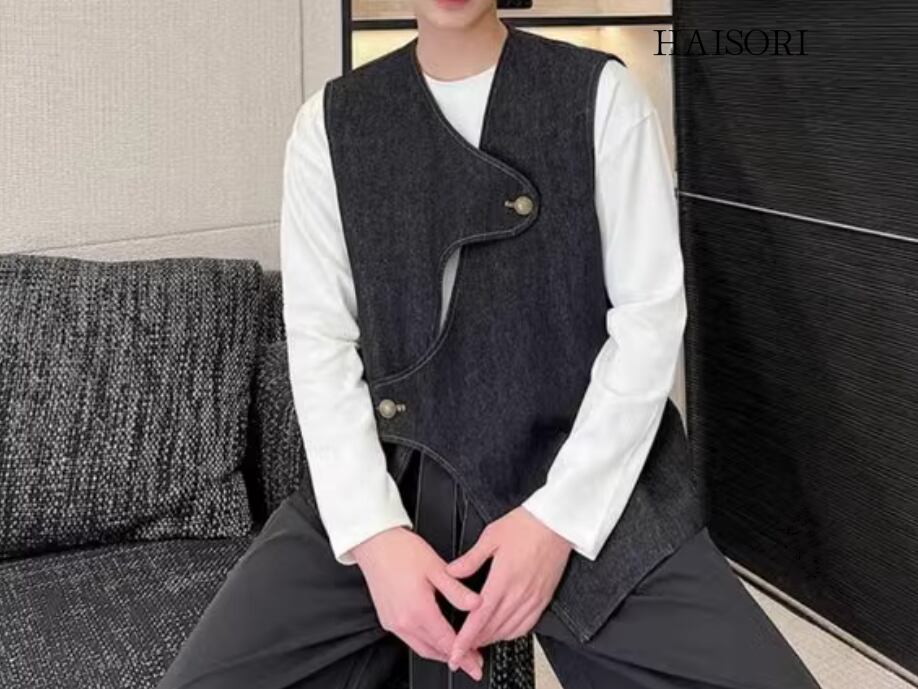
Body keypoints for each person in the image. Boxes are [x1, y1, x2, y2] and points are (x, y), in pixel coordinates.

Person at [157, 2, 824, 688]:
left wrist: (557, 522)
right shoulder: (329, 123)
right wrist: (375, 536)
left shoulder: (602, 95)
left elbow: (648, 321)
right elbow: (321, 341)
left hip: (576, 465)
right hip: (392, 472)